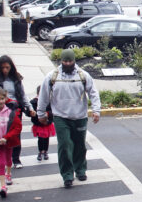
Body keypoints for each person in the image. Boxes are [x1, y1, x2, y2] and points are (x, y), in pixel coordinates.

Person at [37, 49, 100, 188]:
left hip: (80, 116)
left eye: (70, 61)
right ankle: (67, 174)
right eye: (64, 61)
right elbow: (43, 95)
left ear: (74, 61)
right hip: (60, 117)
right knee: (65, 145)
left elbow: (93, 93)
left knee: (79, 145)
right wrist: (40, 113)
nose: (67, 63)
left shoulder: (83, 75)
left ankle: (80, 169)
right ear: (61, 61)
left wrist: (96, 110)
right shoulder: (52, 76)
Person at [0, 55, 32, 168]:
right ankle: (3, 158)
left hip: (14, 109)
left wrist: (30, 107)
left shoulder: (16, 77)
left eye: (7, 67)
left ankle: (16, 159)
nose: (5, 70)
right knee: (1, 133)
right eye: (3, 67)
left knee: (15, 134)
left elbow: (22, 94)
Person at [30, 85, 56, 161]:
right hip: (39, 123)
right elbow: (30, 111)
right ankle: (40, 151)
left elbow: (52, 111)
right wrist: (31, 112)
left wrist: (47, 114)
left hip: (47, 123)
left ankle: (45, 151)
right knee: (40, 138)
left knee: (46, 138)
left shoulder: (49, 101)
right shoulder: (34, 102)